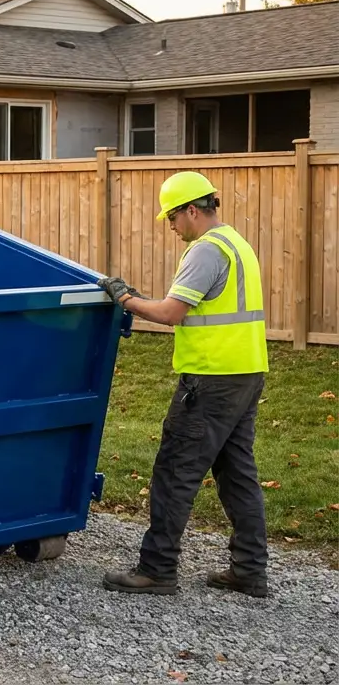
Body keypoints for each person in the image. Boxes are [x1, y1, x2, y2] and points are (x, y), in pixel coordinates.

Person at [96, 170, 269, 598]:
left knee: (175, 471)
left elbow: (172, 313)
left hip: (210, 380)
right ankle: (249, 571)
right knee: (237, 474)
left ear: (192, 210)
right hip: (246, 371)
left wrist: (124, 298)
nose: (170, 226)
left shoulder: (205, 251)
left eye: (172, 217)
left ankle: (156, 569)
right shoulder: (237, 243)